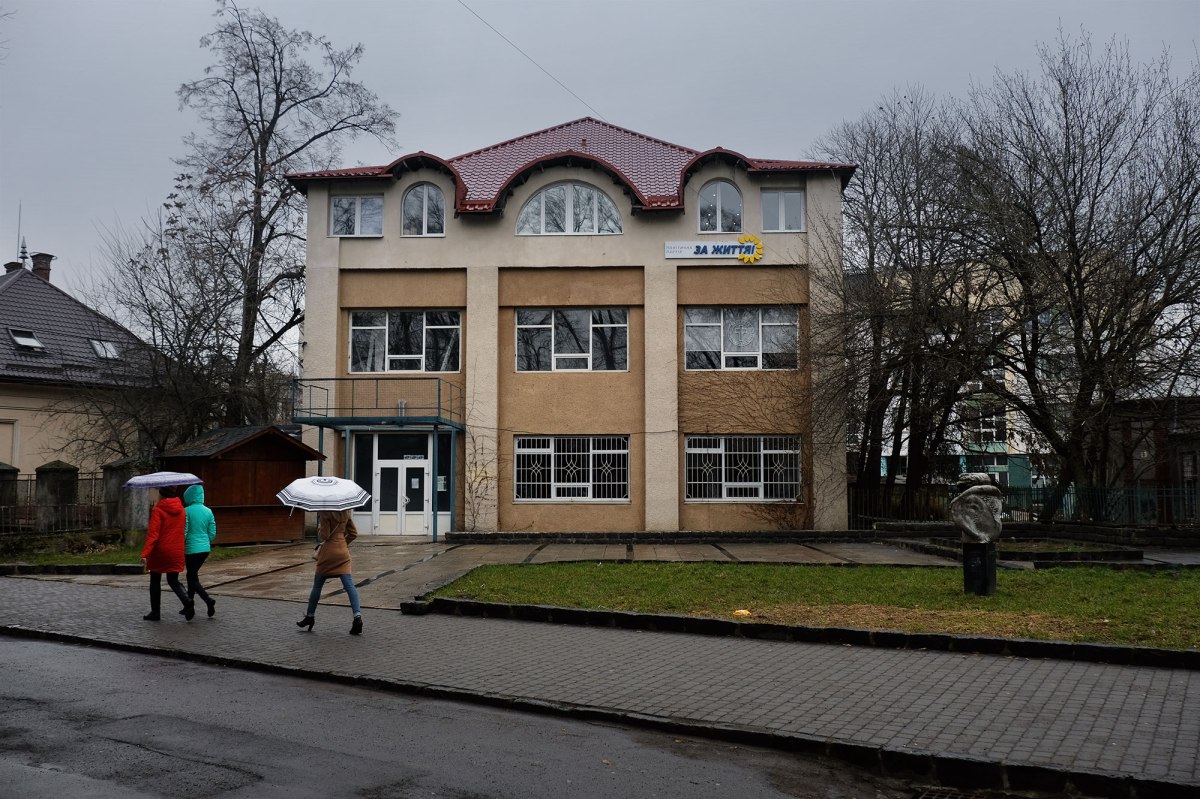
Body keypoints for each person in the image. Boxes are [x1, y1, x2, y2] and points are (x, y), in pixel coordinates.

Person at [297, 509, 362, 635]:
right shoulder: (346, 512)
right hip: (343, 552)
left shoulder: (325, 512)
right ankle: (357, 618)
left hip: (328, 553)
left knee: (317, 585)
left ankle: (310, 616)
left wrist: (320, 528)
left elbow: (325, 536)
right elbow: (353, 533)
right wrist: (343, 544)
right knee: (349, 586)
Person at [141, 485, 193, 621]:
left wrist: (145, 554)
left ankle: (155, 612)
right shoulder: (181, 509)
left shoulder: (158, 510)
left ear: (162, 495)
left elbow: (153, 535)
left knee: (155, 581)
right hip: (176, 550)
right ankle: (187, 600)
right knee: (173, 580)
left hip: (160, 551)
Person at [181, 484, 218, 617]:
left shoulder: (186, 511)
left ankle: (208, 600)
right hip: (205, 548)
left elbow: (184, 530)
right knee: (192, 575)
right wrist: (206, 541)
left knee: (191, 577)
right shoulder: (208, 511)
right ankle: (188, 606)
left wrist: (182, 543)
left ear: (188, 496)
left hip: (192, 549)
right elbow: (212, 530)